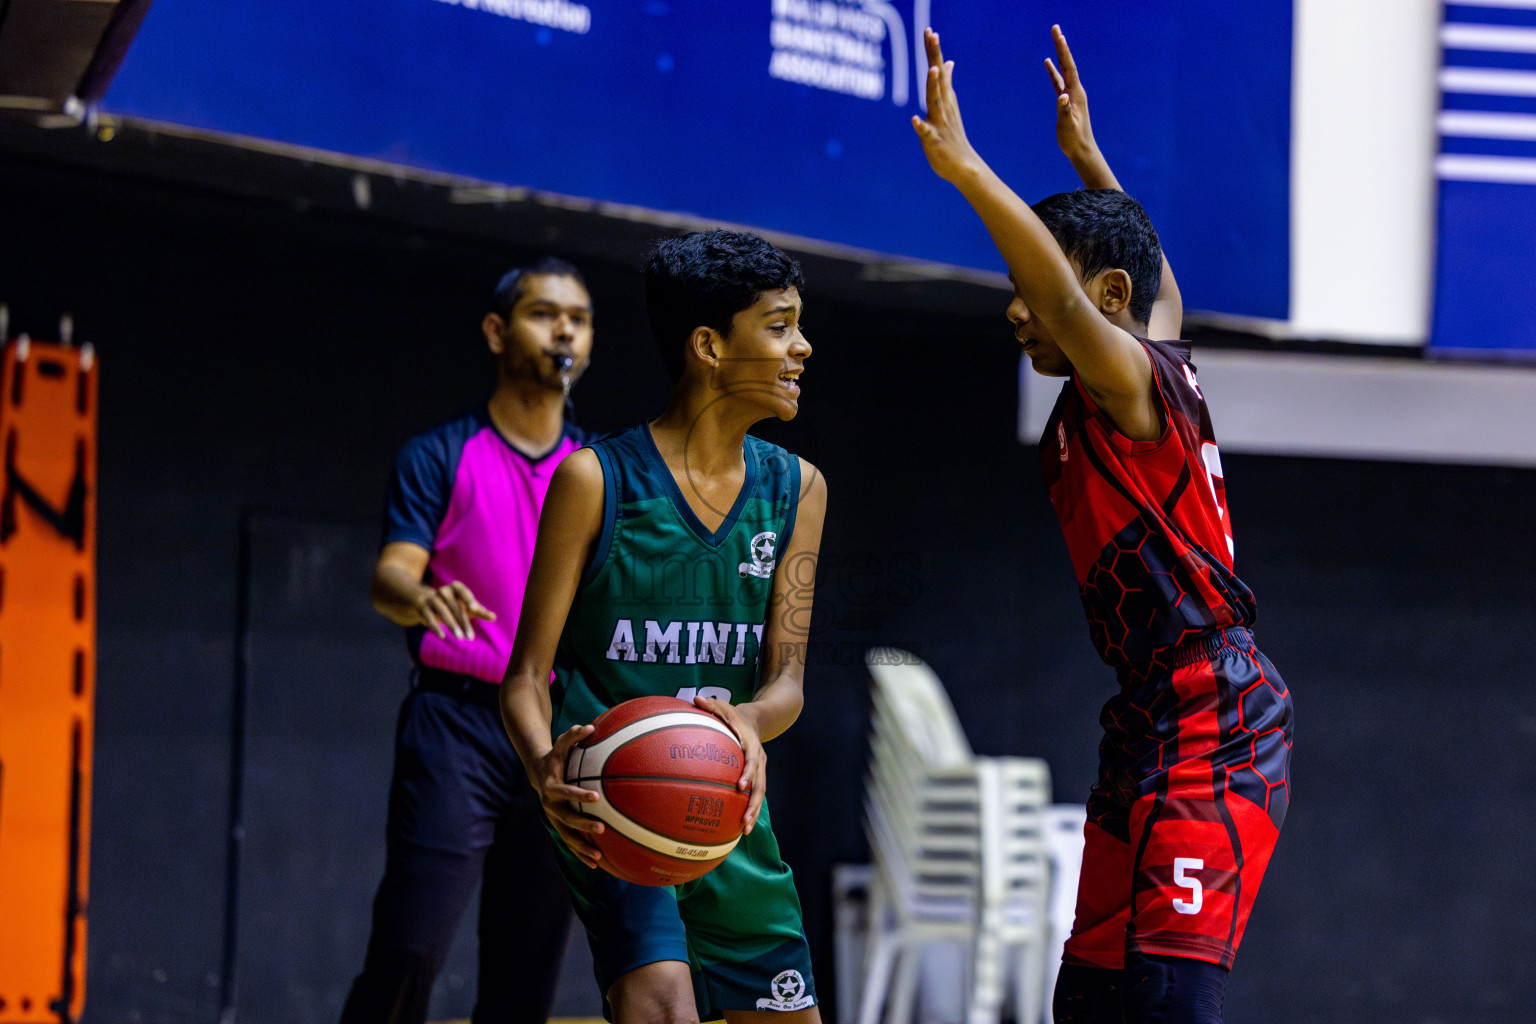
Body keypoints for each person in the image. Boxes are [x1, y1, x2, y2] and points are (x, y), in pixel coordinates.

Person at [912, 25, 1294, 1024]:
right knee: (1088, 991)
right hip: (1147, 715)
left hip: (1219, 716)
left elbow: (1121, 295)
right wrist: (1089, 162)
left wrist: (969, 171)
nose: (1017, 310)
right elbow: (1159, 284)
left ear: (1100, 302)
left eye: (1035, 291)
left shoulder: (1126, 376)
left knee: (1168, 989)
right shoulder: (1141, 352)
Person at [499, 229, 827, 1024]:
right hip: (613, 803)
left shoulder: (799, 488)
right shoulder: (594, 479)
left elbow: (787, 684)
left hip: (730, 807)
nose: (803, 348)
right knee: (663, 1006)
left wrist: (749, 720)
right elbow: (523, 679)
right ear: (709, 346)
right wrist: (548, 771)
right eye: (779, 325)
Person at [339, 257, 595, 1024]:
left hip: (556, 735)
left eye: (579, 319)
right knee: (411, 948)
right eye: (545, 313)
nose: (564, 331)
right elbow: (391, 576)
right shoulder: (441, 455)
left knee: (526, 974)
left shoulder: (596, 474)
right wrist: (419, 597)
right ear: (496, 330)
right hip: (455, 728)